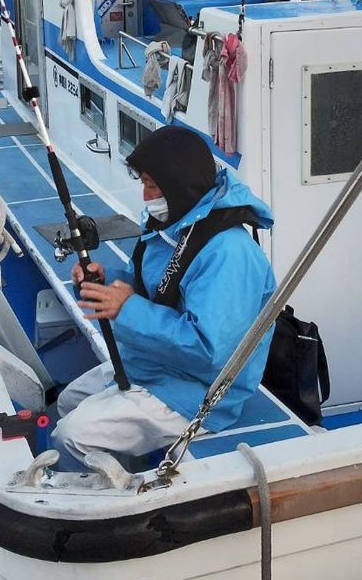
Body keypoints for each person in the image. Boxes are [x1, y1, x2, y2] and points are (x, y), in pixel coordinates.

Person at [53, 127, 276, 469]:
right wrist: (104, 282)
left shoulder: (229, 253)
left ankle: (115, 509)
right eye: (143, 183)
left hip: (199, 393)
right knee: (68, 401)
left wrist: (126, 310)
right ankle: (124, 472)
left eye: (152, 186)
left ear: (178, 183)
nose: (146, 196)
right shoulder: (173, 224)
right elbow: (147, 285)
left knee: (71, 434)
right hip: (154, 364)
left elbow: (211, 351)